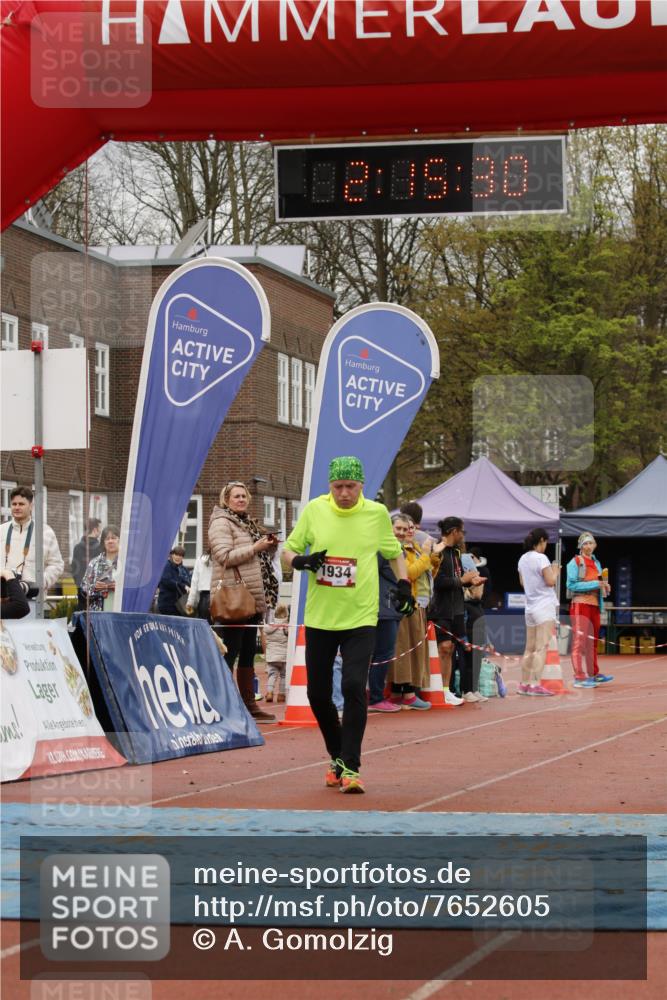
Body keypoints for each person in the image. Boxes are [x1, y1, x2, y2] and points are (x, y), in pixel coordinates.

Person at [283, 456, 413, 793]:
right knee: (317, 693)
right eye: (338, 487)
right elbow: (288, 550)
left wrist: (404, 584)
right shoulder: (315, 510)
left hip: (361, 617)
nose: (343, 493)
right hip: (321, 617)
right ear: (330, 486)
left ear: (361, 486)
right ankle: (337, 755)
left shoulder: (376, 513)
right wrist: (301, 561)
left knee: (354, 686)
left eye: (350, 487)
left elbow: (394, 552)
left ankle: (351, 768)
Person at [209, 481, 279, 724]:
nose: (241, 499)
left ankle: (249, 705)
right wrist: (255, 547)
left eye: (244, 496)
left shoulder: (248, 523)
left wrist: (269, 548)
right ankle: (224, 706)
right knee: (230, 651)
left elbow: (256, 557)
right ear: (226, 499)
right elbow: (223, 556)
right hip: (233, 598)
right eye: (236, 496)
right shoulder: (221, 523)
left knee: (249, 652)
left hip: (252, 597)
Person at [428, 516, 481, 706]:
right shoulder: (437, 550)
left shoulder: (457, 553)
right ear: (454, 531)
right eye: (462, 531)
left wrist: (470, 582)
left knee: (451, 650)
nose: (463, 535)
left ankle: (446, 690)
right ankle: (438, 690)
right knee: (443, 647)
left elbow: (457, 579)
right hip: (440, 609)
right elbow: (437, 581)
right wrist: (462, 580)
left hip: (457, 609)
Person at [387, 514, 433, 710]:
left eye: (408, 528)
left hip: (414, 603)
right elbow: (409, 574)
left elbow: (426, 573)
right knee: (404, 648)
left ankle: (399, 692)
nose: (405, 532)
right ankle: (407, 693)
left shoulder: (412, 547)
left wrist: (431, 556)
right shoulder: (395, 549)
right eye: (399, 528)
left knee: (410, 648)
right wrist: (426, 555)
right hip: (402, 605)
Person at [1, 486, 64, 612]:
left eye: (21, 504)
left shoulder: (45, 532)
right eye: (14, 504)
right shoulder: (1, 530)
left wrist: (37, 584)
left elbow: (57, 565)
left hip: (34, 601)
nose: (17, 507)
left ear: (31, 506)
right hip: (3, 600)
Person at [566, 532, 613, 687]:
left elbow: (599, 582)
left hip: (595, 605)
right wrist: (596, 584)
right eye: (585, 543)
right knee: (579, 642)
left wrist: (605, 587)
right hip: (580, 604)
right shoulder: (575, 562)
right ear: (580, 546)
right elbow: (571, 585)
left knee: (592, 641)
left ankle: (593, 674)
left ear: (595, 545)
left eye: (590, 543)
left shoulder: (596, 562)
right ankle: (579, 678)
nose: (588, 546)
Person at [517, 528, 560, 696]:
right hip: (544, 606)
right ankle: (535, 684)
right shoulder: (541, 558)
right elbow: (550, 581)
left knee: (529, 648)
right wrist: (555, 571)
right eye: (546, 542)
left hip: (530, 607)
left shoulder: (522, 559)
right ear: (541, 540)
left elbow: (523, 583)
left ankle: (524, 684)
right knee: (541, 647)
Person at [80, 526, 120, 611]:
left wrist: (120, 588)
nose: (110, 541)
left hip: (122, 614)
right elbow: (83, 589)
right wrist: (95, 588)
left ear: (120, 540)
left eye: (113, 538)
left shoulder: (126, 564)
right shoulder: (94, 563)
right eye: (107, 539)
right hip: (98, 615)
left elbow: (137, 591)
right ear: (103, 543)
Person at [71, 518, 102, 607]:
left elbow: (74, 570)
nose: (100, 532)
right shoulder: (101, 548)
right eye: (100, 529)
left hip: (81, 592)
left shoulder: (77, 548)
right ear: (95, 530)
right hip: (97, 593)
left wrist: (79, 584)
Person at [262, 603, 289, 703]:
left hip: (272, 656)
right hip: (284, 657)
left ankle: (269, 693)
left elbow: (264, 633)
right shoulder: (287, 627)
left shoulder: (270, 626)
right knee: (283, 676)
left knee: (272, 675)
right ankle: (281, 695)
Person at [156, 545, 191, 616]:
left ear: (183, 557)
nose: (178, 557)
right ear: (172, 555)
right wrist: (183, 586)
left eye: (180, 555)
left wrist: (187, 586)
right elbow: (167, 581)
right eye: (176, 555)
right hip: (167, 604)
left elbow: (188, 582)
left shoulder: (184, 570)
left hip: (181, 604)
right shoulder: (166, 566)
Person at [186, 549, 212, 621]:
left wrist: (190, 602)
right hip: (219, 597)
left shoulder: (199, 560)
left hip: (204, 598)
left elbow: (194, 583)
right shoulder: (222, 559)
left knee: (204, 624)